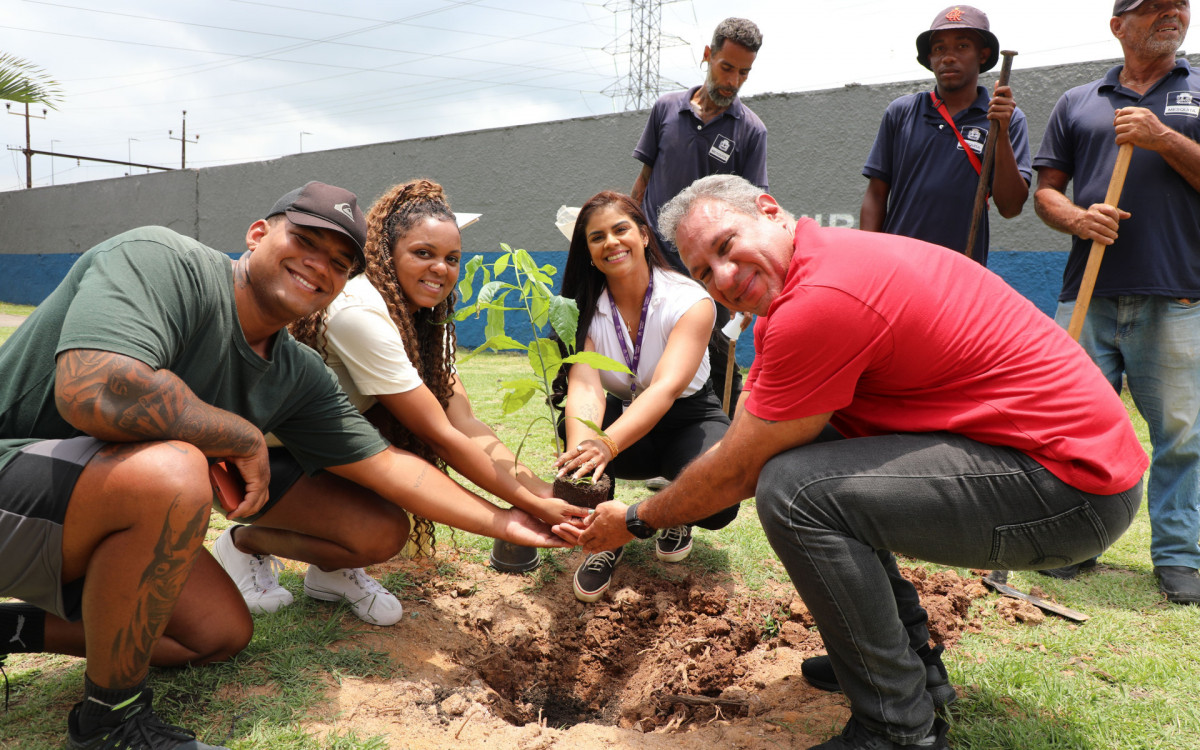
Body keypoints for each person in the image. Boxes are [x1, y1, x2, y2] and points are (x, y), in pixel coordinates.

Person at [560, 175, 1147, 750]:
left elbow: (738, 472)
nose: (725, 278)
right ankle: (911, 665)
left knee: (795, 492)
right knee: (800, 457)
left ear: (769, 209)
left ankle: (897, 727)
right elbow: (747, 437)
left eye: (726, 246)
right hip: (1043, 461)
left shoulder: (821, 300)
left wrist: (637, 519)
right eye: (703, 272)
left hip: (1070, 490)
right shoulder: (808, 278)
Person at [0, 181, 567, 750]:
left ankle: (16, 629)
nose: (319, 267)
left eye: (340, 262)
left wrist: (509, 520)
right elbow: (94, 386)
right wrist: (237, 434)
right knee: (173, 471)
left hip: (83, 510)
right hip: (16, 477)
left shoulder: (296, 372)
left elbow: (391, 467)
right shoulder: (165, 261)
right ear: (258, 233)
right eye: (305, 241)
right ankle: (110, 723)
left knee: (218, 634)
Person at [231, 178, 582, 621]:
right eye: (423, 253)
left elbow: (465, 422)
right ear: (386, 253)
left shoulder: (427, 318)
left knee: (382, 492)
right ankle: (244, 544)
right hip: (258, 454)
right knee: (381, 534)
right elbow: (438, 434)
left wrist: (542, 491)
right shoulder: (360, 311)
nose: (441, 269)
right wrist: (529, 510)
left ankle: (329, 572)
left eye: (452, 258)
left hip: (321, 447)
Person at [1031, 0, 1200, 603]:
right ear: (1118, 24)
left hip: (1178, 292)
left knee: (1181, 435)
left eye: (1178, 6)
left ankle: (1180, 557)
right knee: (1074, 424)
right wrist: (1078, 218)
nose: (1171, 15)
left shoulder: (1198, 92)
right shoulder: (1078, 101)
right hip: (1089, 292)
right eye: (1153, 7)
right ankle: (1074, 542)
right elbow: (1045, 192)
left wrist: (1163, 139)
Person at [551, 191, 738, 603]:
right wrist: (584, 451)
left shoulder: (689, 300)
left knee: (719, 504)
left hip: (687, 414)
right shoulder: (583, 308)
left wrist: (607, 443)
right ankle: (604, 536)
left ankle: (675, 514)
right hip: (622, 411)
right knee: (578, 441)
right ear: (587, 251)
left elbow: (667, 388)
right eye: (596, 237)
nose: (611, 243)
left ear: (644, 235)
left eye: (620, 230)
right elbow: (585, 386)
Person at [632, 16, 766, 416]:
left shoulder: (751, 131)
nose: (733, 81)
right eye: (727, 68)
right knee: (648, 347)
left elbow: (751, 208)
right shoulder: (666, 109)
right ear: (708, 56)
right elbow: (643, 180)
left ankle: (722, 441)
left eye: (744, 73)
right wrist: (628, 228)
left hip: (709, 269)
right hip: (654, 258)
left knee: (717, 353)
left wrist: (746, 274)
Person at [861, 5, 1030, 264]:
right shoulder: (902, 112)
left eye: (962, 46)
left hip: (961, 271)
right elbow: (876, 194)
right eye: (939, 48)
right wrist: (867, 259)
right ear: (929, 58)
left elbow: (1010, 208)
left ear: (983, 55)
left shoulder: (1006, 118)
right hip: (897, 266)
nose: (948, 57)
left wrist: (1002, 132)